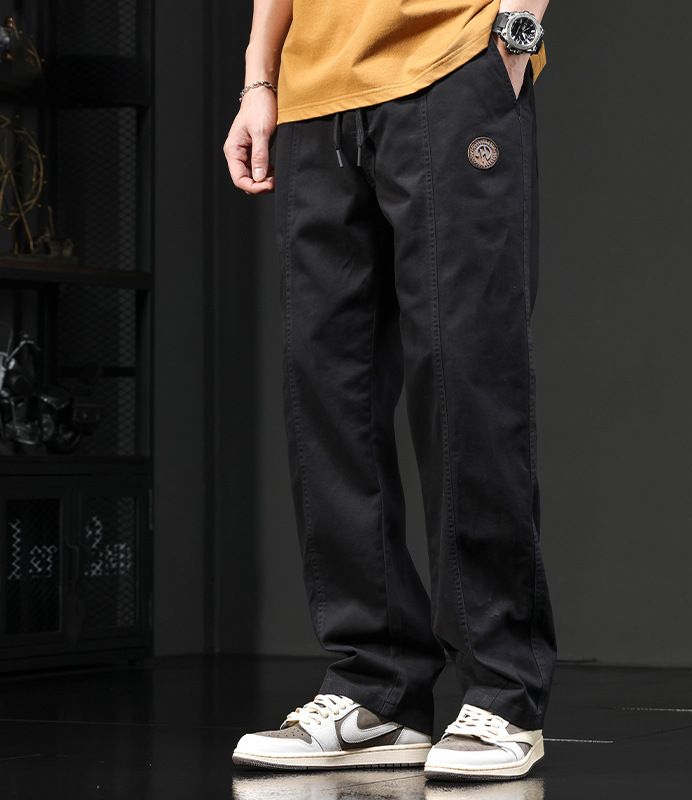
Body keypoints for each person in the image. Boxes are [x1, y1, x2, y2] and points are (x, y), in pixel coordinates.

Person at [223, 0, 556, 782]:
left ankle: (503, 690)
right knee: (327, 389)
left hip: (451, 61)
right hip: (313, 92)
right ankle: (374, 689)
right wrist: (259, 79)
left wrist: (513, 38)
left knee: (466, 375)